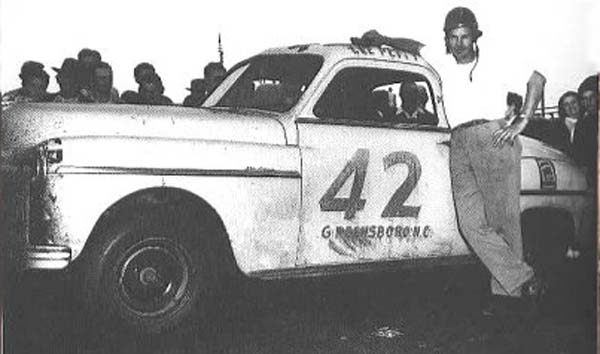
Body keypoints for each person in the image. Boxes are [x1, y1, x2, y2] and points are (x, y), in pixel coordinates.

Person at [356, 6, 546, 309]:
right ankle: (523, 279)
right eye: (453, 38)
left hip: (492, 135)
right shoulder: (442, 61)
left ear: (475, 38)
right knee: (470, 224)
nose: (459, 44)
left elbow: (536, 80)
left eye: (465, 37)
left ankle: (509, 298)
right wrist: (381, 37)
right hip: (459, 141)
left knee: (502, 221)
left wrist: (522, 120)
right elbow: (412, 45)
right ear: (447, 39)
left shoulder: (498, 57)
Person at [573, 75, 598, 186]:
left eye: (592, 97)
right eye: (584, 99)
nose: (588, 102)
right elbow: (579, 156)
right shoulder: (582, 125)